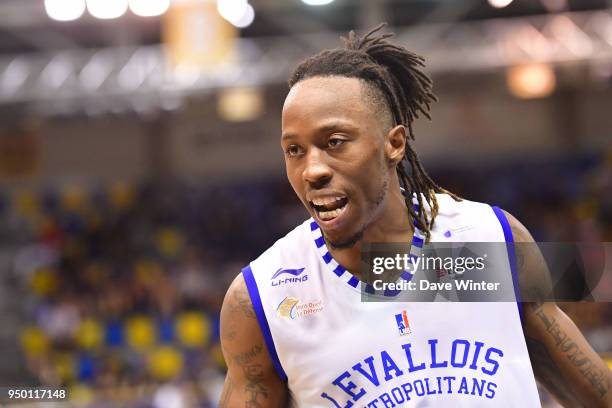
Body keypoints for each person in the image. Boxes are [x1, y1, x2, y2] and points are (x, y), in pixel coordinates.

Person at [219, 25, 612, 407]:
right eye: (294, 150)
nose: (312, 170)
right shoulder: (265, 298)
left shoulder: (484, 239)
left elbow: (592, 394)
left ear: (394, 143)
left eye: (334, 142)